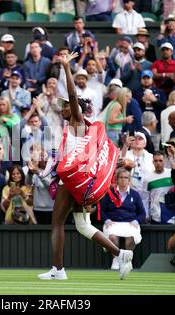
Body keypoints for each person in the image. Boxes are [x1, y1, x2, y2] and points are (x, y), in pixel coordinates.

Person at [38, 52, 134, 281]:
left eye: (66, 106)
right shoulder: (79, 129)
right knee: (82, 226)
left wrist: (66, 67)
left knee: (57, 223)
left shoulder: (78, 121)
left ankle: (58, 270)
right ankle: (120, 254)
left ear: (75, 109)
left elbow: (72, 93)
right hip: (83, 182)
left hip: (74, 181)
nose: (62, 109)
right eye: (62, 107)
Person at [100, 168, 145, 270]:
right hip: (113, 223)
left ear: (129, 180)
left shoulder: (135, 194)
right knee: (112, 237)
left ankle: (126, 261)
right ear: (117, 180)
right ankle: (116, 258)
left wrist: (136, 221)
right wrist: (106, 220)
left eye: (126, 178)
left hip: (130, 223)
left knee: (131, 237)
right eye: (121, 177)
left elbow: (142, 213)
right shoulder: (110, 193)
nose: (123, 180)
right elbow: (102, 211)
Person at [144, 151, 175, 224]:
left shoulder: (171, 173)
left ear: (164, 161)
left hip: (171, 213)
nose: (158, 163)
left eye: (160, 160)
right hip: (156, 214)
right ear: (152, 162)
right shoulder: (147, 178)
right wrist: (146, 214)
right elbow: (146, 198)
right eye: (156, 161)